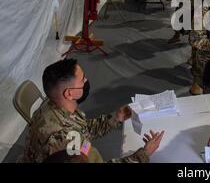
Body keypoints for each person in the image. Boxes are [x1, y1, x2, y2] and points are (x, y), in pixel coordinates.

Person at [19, 59, 164, 163]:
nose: (86, 80)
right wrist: (144, 154)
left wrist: (116, 117)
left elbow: (83, 130)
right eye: (82, 79)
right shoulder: (63, 142)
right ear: (69, 93)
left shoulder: (54, 105)